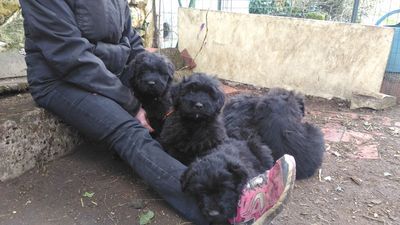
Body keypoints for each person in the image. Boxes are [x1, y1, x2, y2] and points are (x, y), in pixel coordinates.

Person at [18, 0, 295, 224]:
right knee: (131, 130)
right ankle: (220, 207)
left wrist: (172, 96)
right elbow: (69, 55)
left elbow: (133, 45)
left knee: (178, 116)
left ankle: (223, 177)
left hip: (109, 73)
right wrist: (130, 103)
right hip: (63, 79)